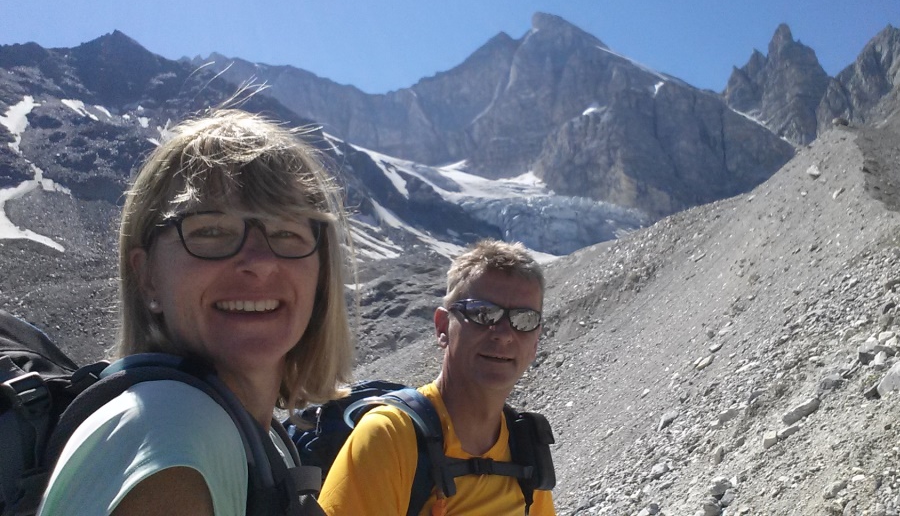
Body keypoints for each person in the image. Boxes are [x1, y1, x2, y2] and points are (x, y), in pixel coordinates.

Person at [37, 108, 354, 515]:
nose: (257, 260)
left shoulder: (259, 436)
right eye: (210, 230)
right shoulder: (174, 435)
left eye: (286, 232)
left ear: (320, 275)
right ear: (147, 276)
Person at [319, 239, 556, 516]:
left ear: (536, 340)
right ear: (443, 326)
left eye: (524, 320)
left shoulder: (523, 446)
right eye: (482, 313)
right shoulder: (388, 437)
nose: (504, 333)